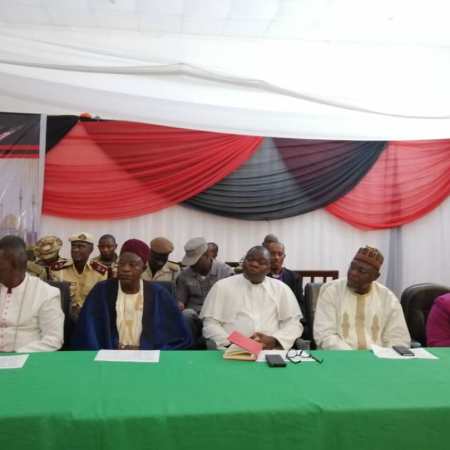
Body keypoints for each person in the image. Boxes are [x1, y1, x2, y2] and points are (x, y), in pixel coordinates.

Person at [72, 239, 191, 350]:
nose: (125, 269)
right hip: (108, 357)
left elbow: (178, 336)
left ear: (143, 268)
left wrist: (146, 350)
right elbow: (88, 332)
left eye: (132, 265)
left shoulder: (158, 294)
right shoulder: (102, 291)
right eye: (121, 264)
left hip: (146, 357)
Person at [201, 246, 303, 350]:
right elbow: (210, 324)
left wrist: (274, 340)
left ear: (269, 268)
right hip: (230, 351)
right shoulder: (221, 286)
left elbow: (293, 324)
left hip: (271, 351)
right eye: (250, 259)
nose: (254, 264)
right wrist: (237, 342)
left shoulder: (281, 289)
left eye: (261, 262)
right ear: (243, 262)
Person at [314, 246, 410, 350]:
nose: (353, 273)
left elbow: (398, 338)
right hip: (339, 356)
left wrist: (385, 356)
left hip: (378, 358)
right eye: (352, 267)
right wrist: (353, 357)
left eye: (362, 271)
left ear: (375, 276)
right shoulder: (332, 291)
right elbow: (325, 335)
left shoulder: (388, 298)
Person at [0, 235, 64, 352]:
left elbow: (53, 339)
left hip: (27, 358)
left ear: (15, 265)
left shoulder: (46, 293)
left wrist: (16, 355)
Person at [176, 237, 234, 345]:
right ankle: (190, 347)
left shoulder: (225, 272)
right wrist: (178, 305)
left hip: (217, 316)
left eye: (196, 261)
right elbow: (180, 301)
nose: (192, 265)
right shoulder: (184, 275)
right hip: (195, 316)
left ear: (208, 255)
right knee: (186, 314)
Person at [52, 233, 108, 322]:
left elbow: (101, 300)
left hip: (90, 318)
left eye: (81, 246)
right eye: (73, 246)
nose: (75, 249)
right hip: (63, 317)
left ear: (91, 250)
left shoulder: (100, 272)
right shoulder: (58, 269)